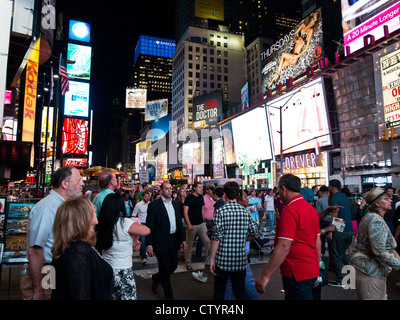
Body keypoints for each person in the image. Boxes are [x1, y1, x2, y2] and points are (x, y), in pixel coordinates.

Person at [255, 173, 321, 300]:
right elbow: (317, 240)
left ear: (283, 189)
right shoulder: (310, 209)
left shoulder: (290, 210)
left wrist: (265, 275)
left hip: (296, 270)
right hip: (310, 268)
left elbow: (284, 245)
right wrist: (316, 262)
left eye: (279, 190)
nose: (278, 193)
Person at [26, 166, 84, 300]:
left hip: (56, 269)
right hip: (47, 270)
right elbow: (35, 250)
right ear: (65, 183)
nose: (82, 184)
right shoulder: (47, 208)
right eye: (78, 180)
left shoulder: (62, 206)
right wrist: (39, 288)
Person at [51, 196, 113, 300]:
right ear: (83, 216)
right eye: (92, 207)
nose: (95, 209)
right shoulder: (78, 251)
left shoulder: (77, 247)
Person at [210, 181, 260, 300]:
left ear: (224, 194)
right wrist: (242, 236)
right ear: (237, 194)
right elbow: (255, 232)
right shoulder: (244, 211)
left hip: (223, 259)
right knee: (240, 291)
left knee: (219, 291)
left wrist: (212, 258)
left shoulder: (220, 211)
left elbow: (216, 236)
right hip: (240, 260)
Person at [96, 193, 150, 300]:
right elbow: (146, 230)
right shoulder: (124, 223)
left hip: (106, 268)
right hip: (123, 270)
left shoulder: (102, 224)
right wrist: (135, 233)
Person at [350, 187, 400, 300]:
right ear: (377, 203)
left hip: (372, 271)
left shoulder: (370, 217)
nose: (390, 200)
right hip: (370, 271)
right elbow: (379, 250)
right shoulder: (375, 220)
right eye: (386, 198)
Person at [146, 182, 187, 300]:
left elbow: (179, 223)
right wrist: (149, 244)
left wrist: (183, 239)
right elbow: (150, 226)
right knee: (164, 266)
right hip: (160, 240)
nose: (169, 190)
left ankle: (156, 278)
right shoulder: (154, 205)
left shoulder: (175, 204)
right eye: (167, 189)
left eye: (171, 188)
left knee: (173, 265)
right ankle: (169, 295)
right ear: (161, 190)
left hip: (173, 240)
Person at [267, 9, 321, 88]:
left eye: (315, 22)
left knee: (283, 54)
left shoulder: (310, 31)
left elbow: (306, 48)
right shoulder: (303, 25)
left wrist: (297, 56)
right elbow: (293, 35)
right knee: (280, 67)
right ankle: (270, 84)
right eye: (313, 20)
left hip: (294, 57)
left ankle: (276, 77)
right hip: (292, 54)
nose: (313, 23)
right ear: (311, 18)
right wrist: (296, 40)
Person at [224, 190, 260, 300]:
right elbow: (255, 233)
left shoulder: (227, 211)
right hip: (239, 255)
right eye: (245, 197)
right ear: (239, 200)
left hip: (230, 254)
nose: (247, 199)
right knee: (247, 281)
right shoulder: (243, 213)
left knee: (230, 283)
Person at [327, 179, 353, 287]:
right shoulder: (343, 196)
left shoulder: (335, 198)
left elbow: (335, 214)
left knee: (335, 255)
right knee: (342, 254)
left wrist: (330, 230)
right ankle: (353, 271)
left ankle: (339, 280)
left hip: (340, 230)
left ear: (332, 187)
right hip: (349, 229)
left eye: (329, 186)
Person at [183, 181, 210, 271]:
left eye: (201, 188)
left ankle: (209, 261)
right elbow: (185, 212)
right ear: (194, 188)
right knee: (189, 245)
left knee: (207, 242)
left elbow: (202, 210)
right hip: (192, 225)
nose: (201, 189)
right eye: (199, 187)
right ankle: (188, 263)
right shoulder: (189, 198)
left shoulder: (201, 197)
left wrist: (203, 220)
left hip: (201, 224)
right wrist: (189, 224)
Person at [132, 191, 150, 263]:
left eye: (148, 196)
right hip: (141, 224)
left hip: (148, 224)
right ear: (142, 197)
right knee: (143, 240)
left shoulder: (150, 204)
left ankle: (148, 252)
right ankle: (143, 256)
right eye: (145, 196)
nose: (147, 198)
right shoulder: (138, 205)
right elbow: (134, 215)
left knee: (148, 240)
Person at [315, 185, 330, 255]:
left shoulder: (319, 201)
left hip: (322, 223)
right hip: (332, 223)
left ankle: (322, 255)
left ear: (320, 192)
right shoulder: (332, 199)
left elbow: (318, 215)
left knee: (322, 241)